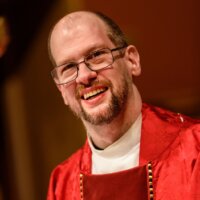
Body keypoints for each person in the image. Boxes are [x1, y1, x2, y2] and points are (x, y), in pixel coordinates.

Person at [47, 11, 200, 200]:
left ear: (132, 60)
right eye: (68, 68)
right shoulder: (62, 184)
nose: (84, 76)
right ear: (61, 89)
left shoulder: (195, 150)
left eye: (96, 55)